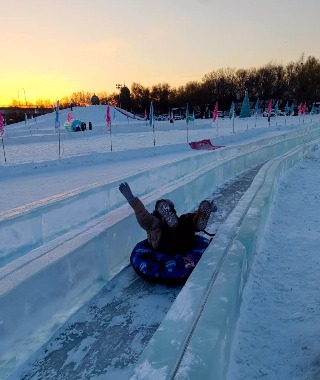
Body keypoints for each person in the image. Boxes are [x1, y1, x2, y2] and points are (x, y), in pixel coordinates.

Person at [119, 182, 216, 254]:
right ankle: (196, 221)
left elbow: (142, 215)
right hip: (171, 244)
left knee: (183, 220)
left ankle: (198, 218)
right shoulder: (155, 222)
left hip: (176, 244)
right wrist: (132, 199)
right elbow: (143, 216)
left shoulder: (156, 222)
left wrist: (131, 199)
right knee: (182, 222)